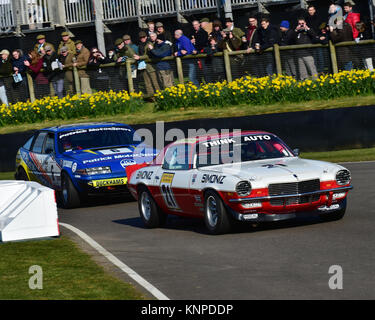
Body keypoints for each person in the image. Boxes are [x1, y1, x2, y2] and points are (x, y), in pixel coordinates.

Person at [133, 31, 161, 97]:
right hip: (142, 65)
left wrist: (139, 57)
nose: (142, 39)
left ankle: (159, 96)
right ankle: (151, 96)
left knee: (155, 82)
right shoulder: (139, 45)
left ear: (146, 37)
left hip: (150, 66)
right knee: (147, 82)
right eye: (141, 38)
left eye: (143, 37)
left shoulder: (149, 44)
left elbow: (149, 55)